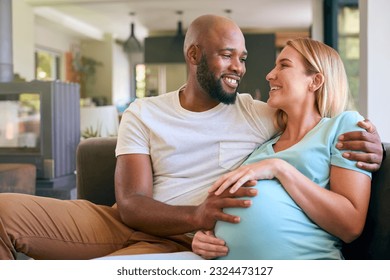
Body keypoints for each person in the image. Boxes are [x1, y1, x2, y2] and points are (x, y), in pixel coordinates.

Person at [0, 15, 383, 260]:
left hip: (181, 241)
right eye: (227, 55)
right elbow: (131, 202)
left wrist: (370, 144)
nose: (241, 68)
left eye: (244, 58)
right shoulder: (143, 111)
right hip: (126, 222)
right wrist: (198, 215)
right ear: (195, 55)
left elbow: (318, 128)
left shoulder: (260, 114)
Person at [191, 37, 372, 260]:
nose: (269, 75)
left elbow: (350, 225)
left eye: (284, 65)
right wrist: (203, 237)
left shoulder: (343, 127)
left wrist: (280, 168)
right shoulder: (263, 146)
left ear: (315, 81)